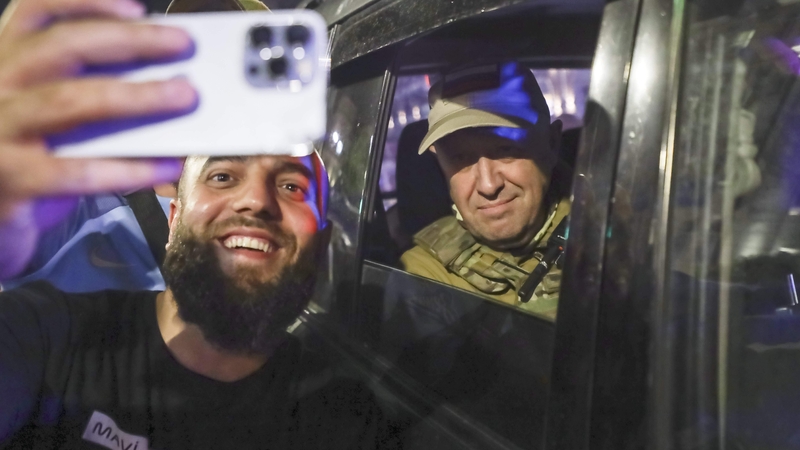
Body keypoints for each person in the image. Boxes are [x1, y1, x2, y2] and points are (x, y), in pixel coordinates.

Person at [0, 1, 388, 448]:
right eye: (202, 56)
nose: (255, 200)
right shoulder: (61, 226)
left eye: (240, 57)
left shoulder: (341, 418)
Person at [400, 61, 571, 321]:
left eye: (506, 149)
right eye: (460, 158)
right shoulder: (423, 275)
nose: (488, 185)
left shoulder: (613, 239)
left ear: (551, 143)